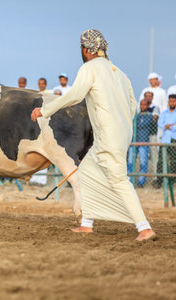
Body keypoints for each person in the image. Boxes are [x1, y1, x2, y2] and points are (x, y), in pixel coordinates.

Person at [31, 29, 156, 241]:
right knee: (86, 172)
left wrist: (44, 111)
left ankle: (144, 228)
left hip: (108, 136)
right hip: (119, 134)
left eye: (81, 47)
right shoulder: (120, 73)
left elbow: (75, 95)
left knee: (118, 180)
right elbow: (133, 105)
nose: (80, 51)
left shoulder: (90, 68)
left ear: (87, 49)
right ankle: (87, 224)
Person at [127, 99, 153, 187]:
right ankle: (130, 180)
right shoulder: (136, 115)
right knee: (130, 162)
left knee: (143, 162)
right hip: (134, 142)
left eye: (144, 105)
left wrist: (136, 124)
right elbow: (132, 124)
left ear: (147, 106)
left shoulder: (149, 116)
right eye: (141, 105)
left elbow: (140, 125)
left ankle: (141, 182)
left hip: (143, 142)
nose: (142, 106)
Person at [154, 94, 176, 188]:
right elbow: (160, 123)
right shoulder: (164, 113)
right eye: (171, 101)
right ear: (168, 102)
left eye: (174, 101)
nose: (172, 103)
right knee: (161, 161)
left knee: (174, 161)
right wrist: (169, 125)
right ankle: (159, 181)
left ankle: (174, 180)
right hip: (165, 139)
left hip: (174, 139)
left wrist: (170, 126)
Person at [143, 91, 160, 182]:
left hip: (151, 134)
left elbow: (154, 118)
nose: (148, 98)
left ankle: (155, 177)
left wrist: (144, 118)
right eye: (147, 96)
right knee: (142, 156)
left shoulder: (155, 108)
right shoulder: (141, 107)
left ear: (152, 98)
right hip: (142, 135)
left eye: (150, 96)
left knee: (154, 155)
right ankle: (142, 178)